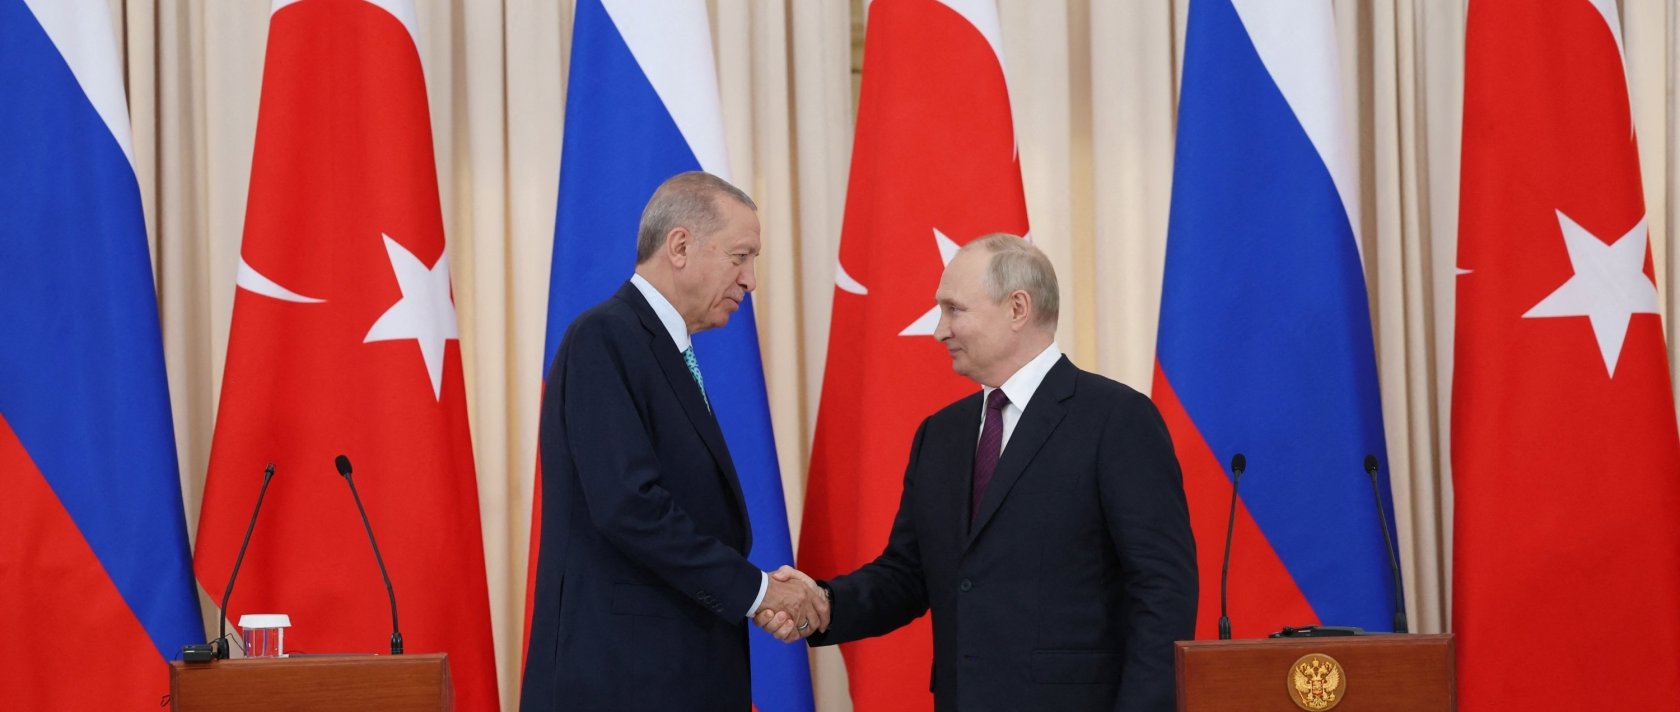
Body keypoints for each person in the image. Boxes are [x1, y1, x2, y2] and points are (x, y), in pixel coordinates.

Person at [767, 234, 1197, 711]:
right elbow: (908, 575)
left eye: (954, 310)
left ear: (1017, 308)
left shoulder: (1116, 419)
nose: (939, 331)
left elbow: (1162, 590)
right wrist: (824, 603)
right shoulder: (940, 434)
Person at [522, 171, 827, 711]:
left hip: (674, 674)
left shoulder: (661, 348)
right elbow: (629, 506)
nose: (751, 280)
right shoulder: (605, 337)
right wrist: (758, 591)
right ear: (680, 246)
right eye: (740, 256)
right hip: (623, 680)